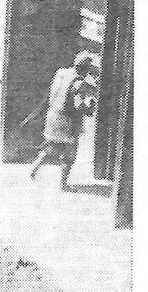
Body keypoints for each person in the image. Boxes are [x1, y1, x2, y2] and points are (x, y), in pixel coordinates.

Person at [30, 53, 100, 191]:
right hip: (68, 122)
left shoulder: (61, 73)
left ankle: (34, 169)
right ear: (85, 69)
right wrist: (91, 105)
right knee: (70, 154)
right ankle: (63, 184)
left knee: (52, 147)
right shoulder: (79, 83)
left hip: (53, 116)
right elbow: (79, 106)